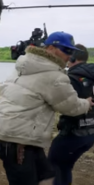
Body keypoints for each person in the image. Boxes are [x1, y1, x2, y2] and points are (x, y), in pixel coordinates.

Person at [0, 32, 94, 185]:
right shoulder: (54, 76)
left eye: (72, 52)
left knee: (47, 176)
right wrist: (87, 102)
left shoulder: (25, 63)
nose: (69, 56)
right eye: (67, 50)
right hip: (18, 139)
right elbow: (71, 107)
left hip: (11, 131)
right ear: (51, 48)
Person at [48, 44, 94, 185]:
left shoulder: (72, 77)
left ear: (73, 58)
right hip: (90, 134)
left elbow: (65, 105)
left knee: (53, 164)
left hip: (72, 133)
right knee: (65, 166)